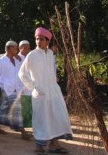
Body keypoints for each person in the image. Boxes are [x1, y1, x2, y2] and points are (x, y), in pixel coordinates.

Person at [18, 27, 73, 155]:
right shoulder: (32, 55)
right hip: (40, 94)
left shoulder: (50, 54)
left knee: (56, 116)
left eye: (41, 39)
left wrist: (55, 84)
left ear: (47, 41)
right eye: (37, 39)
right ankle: (39, 146)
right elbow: (22, 74)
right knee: (41, 119)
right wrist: (34, 87)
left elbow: (52, 72)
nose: (38, 41)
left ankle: (54, 144)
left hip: (53, 92)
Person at [0, 41, 31, 140]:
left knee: (4, 108)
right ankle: (23, 132)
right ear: (10, 49)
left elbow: (26, 62)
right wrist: (5, 86)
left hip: (16, 89)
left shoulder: (17, 59)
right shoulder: (1, 61)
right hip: (7, 89)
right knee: (17, 109)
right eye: (15, 48)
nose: (17, 50)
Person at [18, 40, 33, 138]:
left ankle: (24, 130)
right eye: (26, 48)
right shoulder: (17, 58)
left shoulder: (28, 58)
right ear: (20, 48)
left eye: (29, 48)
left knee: (28, 110)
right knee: (22, 112)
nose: (28, 50)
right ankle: (23, 132)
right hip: (22, 89)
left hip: (30, 89)